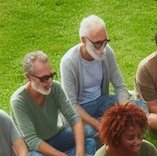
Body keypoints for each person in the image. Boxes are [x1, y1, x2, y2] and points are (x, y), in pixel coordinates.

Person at [10, 51, 96, 156]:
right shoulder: (18, 101)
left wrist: (79, 154)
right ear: (29, 77)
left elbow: (74, 118)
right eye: (44, 78)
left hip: (56, 137)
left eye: (51, 75)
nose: (49, 81)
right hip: (34, 150)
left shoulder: (55, 88)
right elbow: (32, 141)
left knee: (88, 141)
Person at [60, 15, 147, 143]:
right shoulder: (68, 62)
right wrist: (97, 124)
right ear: (83, 40)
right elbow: (72, 105)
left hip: (101, 101)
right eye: (97, 44)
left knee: (140, 107)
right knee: (80, 131)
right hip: (80, 111)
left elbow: (119, 85)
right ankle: (114, 130)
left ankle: (112, 130)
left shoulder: (108, 52)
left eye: (105, 42)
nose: (102, 48)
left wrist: (126, 112)